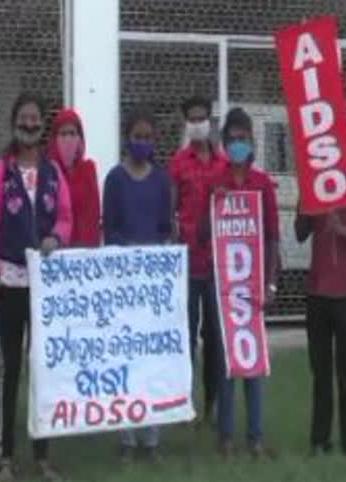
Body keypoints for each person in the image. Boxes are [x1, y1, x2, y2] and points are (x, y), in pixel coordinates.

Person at [0, 92, 72, 482]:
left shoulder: (54, 173)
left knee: (42, 370)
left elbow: (67, 218)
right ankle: (5, 457)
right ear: (15, 123)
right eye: (24, 117)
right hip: (9, 279)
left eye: (36, 118)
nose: (31, 123)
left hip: (44, 286)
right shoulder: (3, 170)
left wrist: (57, 236)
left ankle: (43, 455)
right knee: (11, 369)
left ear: (42, 125)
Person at [198, 107, 280, 459]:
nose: (237, 145)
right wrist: (213, 204)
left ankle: (256, 436)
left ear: (252, 141)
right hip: (224, 288)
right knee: (227, 362)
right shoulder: (214, 180)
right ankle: (226, 437)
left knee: (254, 362)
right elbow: (202, 234)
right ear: (224, 142)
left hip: (254, 285)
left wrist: (271, 284)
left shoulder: (262, 184)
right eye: (232, 139)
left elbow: (273, 237)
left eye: (243, 139)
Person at [102, 107, 172, 463]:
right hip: (123, 282)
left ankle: (152, 439)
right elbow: (110, 228)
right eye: (137, 136)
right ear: (127, 138)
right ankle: (126, 439)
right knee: (125, 357)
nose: (142, 142)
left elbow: (165, 228)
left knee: (151, 359)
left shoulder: (162, 180)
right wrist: (125, 255)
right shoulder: (114, 179)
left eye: (148, 137)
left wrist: (157, 254)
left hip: (153, 285)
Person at [295, 181, 346, 458]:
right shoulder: (315, 185)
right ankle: (319, 440)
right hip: (317, 292)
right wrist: (307, 202)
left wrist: (341, 230)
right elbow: (300, 233)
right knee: (320, 371)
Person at [168, 95, 227, 423]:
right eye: (192, 118)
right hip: (187, 264)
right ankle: (182, 400)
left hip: (218, 264)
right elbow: (170, 208)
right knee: (186, 335)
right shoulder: (178, 163)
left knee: (216, 338)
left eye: (202, 117)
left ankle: (213, 402)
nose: (198, 123)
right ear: (186, 124)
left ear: (210, 121)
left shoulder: (222, 164)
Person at [47, 108, 100, 246]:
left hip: (83, 251)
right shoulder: (48, 171)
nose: (68, 139)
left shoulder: (88, 169)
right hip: (55, 250)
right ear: (54, 138)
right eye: (63, 134)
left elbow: (93, 214)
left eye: (72, 133)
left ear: (80, 137)